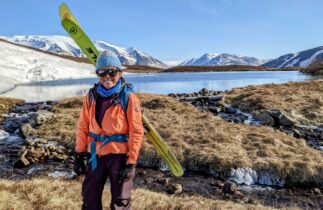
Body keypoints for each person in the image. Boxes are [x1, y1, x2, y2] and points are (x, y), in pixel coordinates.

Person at [74, 51, 144, 210]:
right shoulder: (90, 96)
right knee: (89, 197)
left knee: (121, 200)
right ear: (97, 74)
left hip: (119, 157)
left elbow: (136, 131)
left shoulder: (128, 97)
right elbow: (83, 125)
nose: (107, 77)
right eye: (102, 72)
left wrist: (131, 163)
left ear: (120, 73)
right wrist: (79, 154)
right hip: (94, 154)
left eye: (112, 72)